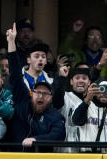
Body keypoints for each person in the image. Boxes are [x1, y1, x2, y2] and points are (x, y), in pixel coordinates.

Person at [6, 23, 66, 151]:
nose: (40, 59)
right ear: (28, 60)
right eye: (37, 56)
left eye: (43, 57)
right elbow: (15, 72)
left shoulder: (52, 80)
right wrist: (11, 41)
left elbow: (58, 104)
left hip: (43, 134)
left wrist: (61, 79)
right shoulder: (21, 90)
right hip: (19, 137)